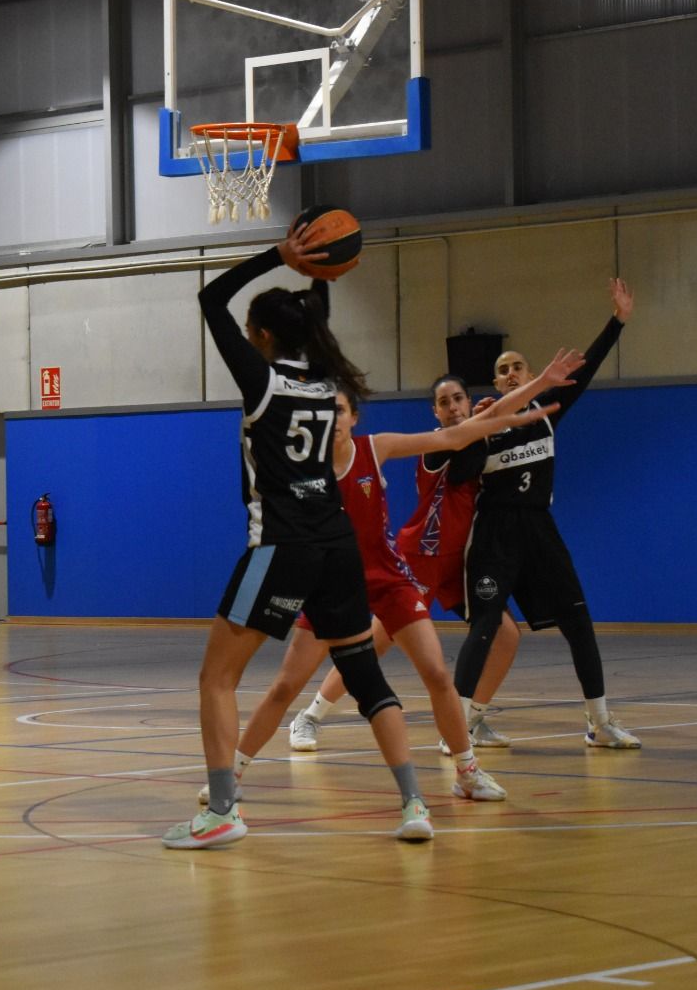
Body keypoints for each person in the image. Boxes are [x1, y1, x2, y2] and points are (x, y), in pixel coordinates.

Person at [164, 223, 439, 850]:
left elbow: (211, 300)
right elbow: (316, 319)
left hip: (280, 546)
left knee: (216, 680)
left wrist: (279, 258)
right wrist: (320, 273)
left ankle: (224, 812)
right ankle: (414, 801)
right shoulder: (323, 382)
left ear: (261, 336)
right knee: (364, 674)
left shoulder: (263, 381)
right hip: (337, 545)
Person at [206, 376, 568, 807]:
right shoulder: (303, 471)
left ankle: (467, 772)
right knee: (285, 685)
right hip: (329, 585)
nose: (334, 419)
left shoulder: (374, 448)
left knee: (436, 673)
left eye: (341, 410)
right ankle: (232, 775)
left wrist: (538, 387)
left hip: (387, 578)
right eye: (326, 412)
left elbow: (456, 434)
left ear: (354, 416)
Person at [448, 279, 642, 748]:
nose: (511, 373)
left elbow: (588, 367)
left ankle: (599, 723)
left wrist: (616, 322)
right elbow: (457, 474)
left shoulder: (546, 411)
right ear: (495, 383)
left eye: (518, 367)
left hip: (539, 528)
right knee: (487, 626)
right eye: (503, 370)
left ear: (531, 375)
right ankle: (459, 726)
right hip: (494, 532)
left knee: (578, 620)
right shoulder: (483, 423)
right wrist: (482, 427)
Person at [288, 373, 525, 754]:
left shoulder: (477, 438)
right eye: (444, 403)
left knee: (505, 633)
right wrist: (535, 386)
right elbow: (470, 429)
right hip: (422, 555)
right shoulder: (439, 447)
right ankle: (310, 716)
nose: (453, 408)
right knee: (373, 645)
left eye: (459, 399)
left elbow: (485, 428)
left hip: (460, 557)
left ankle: (472, 718)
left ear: (468, 401)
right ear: (435, 411)